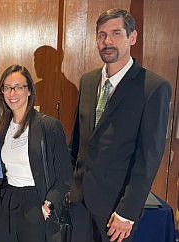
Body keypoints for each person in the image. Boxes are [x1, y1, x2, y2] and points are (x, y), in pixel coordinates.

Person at [69, 8, 171, 242]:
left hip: (116, 210)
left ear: (132, 38)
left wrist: (127, 212)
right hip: (79, 204)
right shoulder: (88, 81)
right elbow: (77, 143)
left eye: (116, 33)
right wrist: (69, 189)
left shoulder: (153, 88)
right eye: (102, 35)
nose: (107, 41)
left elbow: (149, 157)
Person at [0, 65, 72, 242]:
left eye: (18, 87)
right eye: (7, 87)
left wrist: (48, 205)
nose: (12, 93)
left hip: (36, 203)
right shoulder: (0, 129)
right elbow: (2, 172)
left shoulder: (49, 126)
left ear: (29, 90)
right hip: (6, 202)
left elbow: (65, 175)